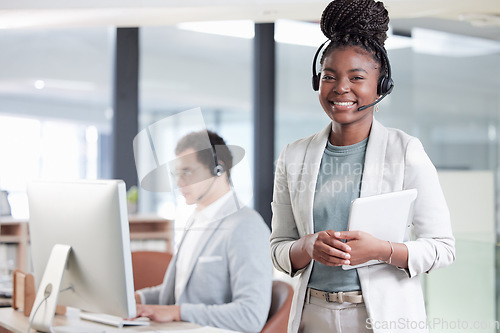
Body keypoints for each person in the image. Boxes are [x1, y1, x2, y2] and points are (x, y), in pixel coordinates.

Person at [269, 0, 455, 332]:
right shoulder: (293, 156)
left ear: (381, 85)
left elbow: (441, 249)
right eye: (329, 76)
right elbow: (280, 247)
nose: (341, 88)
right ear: (318, 82)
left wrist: (381, 250)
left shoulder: (406, 151)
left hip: (380, 318)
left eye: (357, 77)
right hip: (313, 315)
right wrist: (307, 246)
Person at [135, 130, 273, 333]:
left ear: (218, 169)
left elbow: (250, 315)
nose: (179, 182)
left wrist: (178, 312)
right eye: (176, 173)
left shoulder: (245, 226)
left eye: (187, 172)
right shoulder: (196, 219)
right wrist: (138, 299)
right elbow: (181, 292)